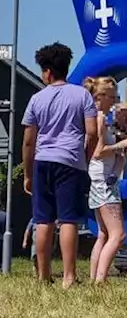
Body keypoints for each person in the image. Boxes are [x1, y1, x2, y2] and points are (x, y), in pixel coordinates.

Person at [22, 43, 98, 288]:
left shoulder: (36, 99)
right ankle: (68, 276)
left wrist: (28, 173)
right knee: (68, 220)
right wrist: (85, 156)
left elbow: (28, 141)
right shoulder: (82, 95)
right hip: (71, 162)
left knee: (42, 220)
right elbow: (92, 131)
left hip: (43, 160)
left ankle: (43, 276)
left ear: (47, 72)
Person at [83, 77, 127, 284]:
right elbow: (98, 152)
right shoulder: (99, 119)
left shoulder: (100, 118)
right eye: (113, 96)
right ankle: (100, 280)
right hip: (104, 178)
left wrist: (124, 150)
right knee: (119, 234)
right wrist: (123, 143)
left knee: (104, 234)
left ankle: (95, 278)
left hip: (99, 177)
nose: (115, 101)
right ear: (101, 96)